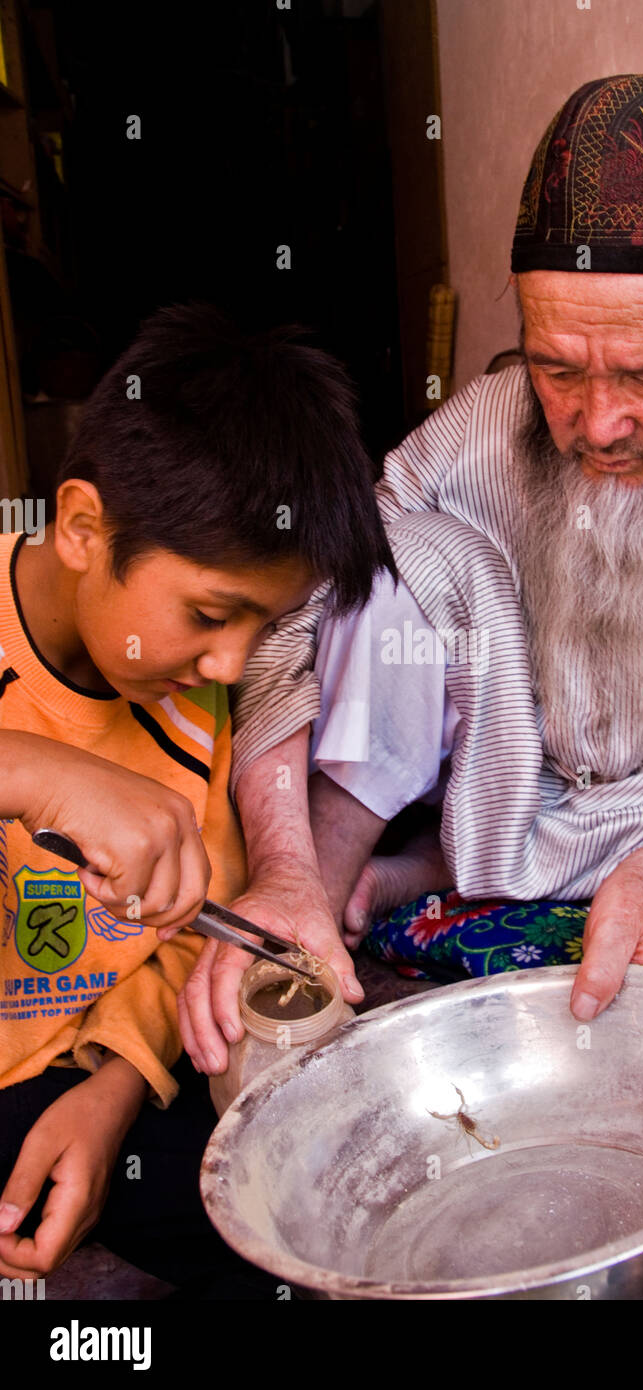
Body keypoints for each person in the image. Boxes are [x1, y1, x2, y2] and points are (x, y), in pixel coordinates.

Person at [180, 74, 643, 1079]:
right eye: (557, 368)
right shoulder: (487, 425)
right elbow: (309, 592)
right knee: (388, 561)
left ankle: (451, 880)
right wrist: (283, 867)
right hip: (538, 809)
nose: (596, 423)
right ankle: (320, 898)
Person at [0, 303, 393, 1288]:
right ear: (86, 526)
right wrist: (37, 769)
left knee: (324, 1210)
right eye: (211, 615)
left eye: (258, 627)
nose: (229, 661)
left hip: (96, 1068)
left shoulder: (197, 696)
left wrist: (113, 1088)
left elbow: (183, 933)